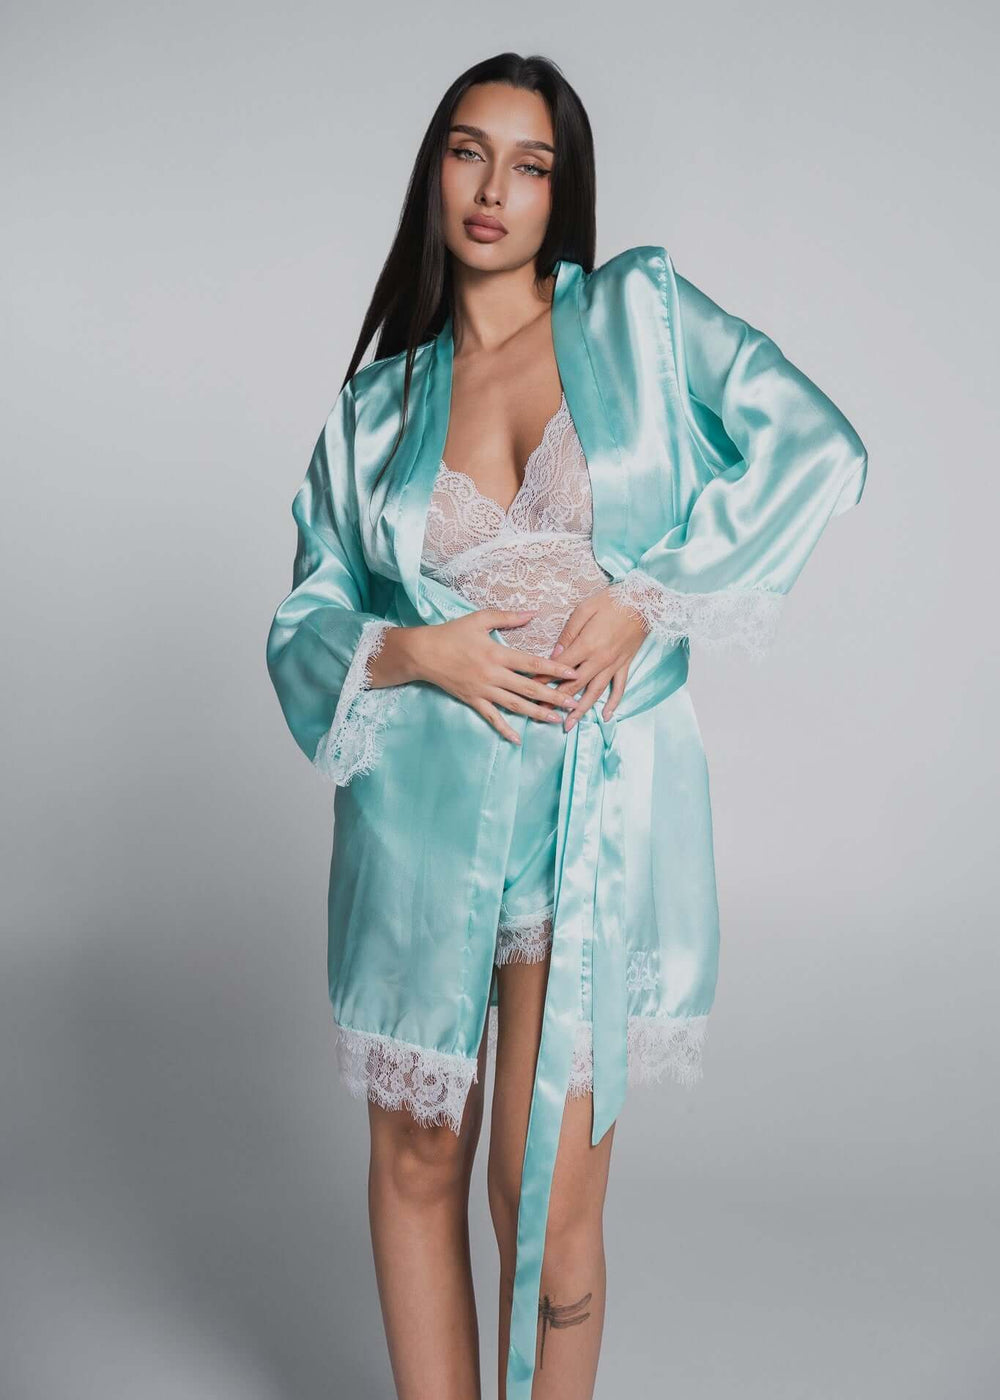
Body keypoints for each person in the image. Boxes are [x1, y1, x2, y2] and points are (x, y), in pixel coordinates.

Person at [265, 51, 868, 1400]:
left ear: (563, 191)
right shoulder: (375, 414)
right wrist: (411, 649)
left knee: (544, 1200)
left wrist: (651, 599)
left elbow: (816, 445)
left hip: (591, 821)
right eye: (468, 153)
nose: (494, 189)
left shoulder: (638, 319)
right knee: (417, 1159)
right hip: (422, 821)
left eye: (529, 164)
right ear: (435, 173)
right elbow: (303, 618)